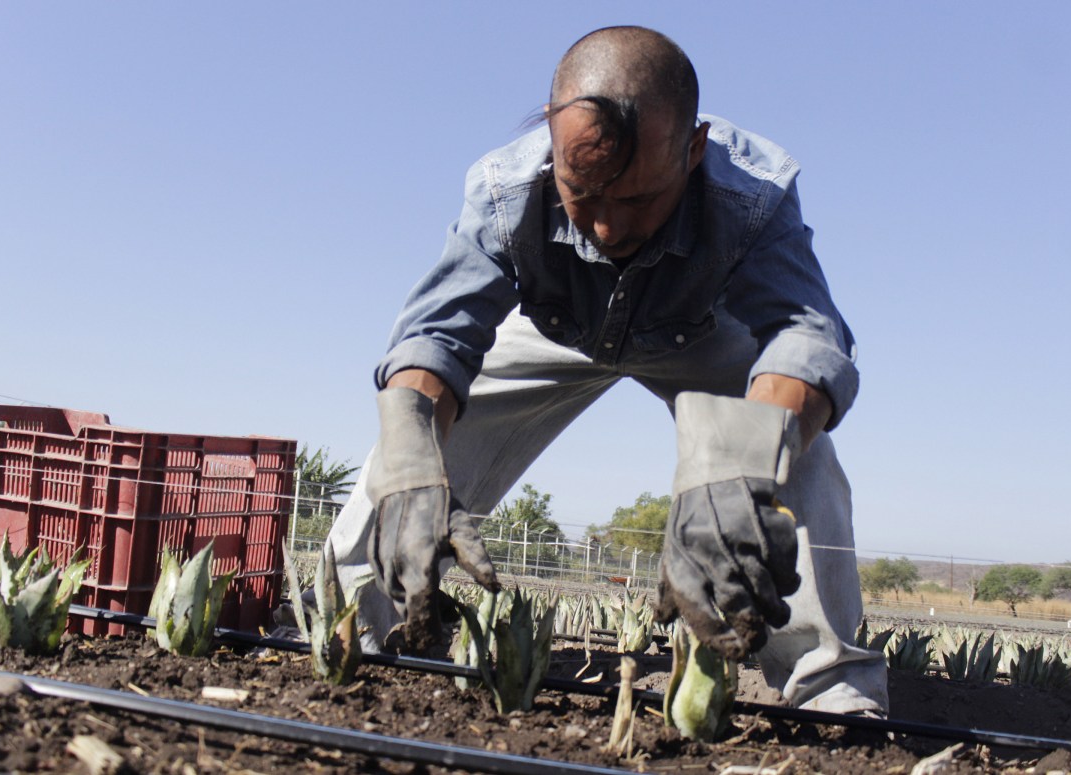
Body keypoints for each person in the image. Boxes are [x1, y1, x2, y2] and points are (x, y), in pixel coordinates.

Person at [325, 25, 888, 715]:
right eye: (582, 194)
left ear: (693, 150)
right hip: (552, 330)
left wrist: (742, 462)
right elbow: (436, 334)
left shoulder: (751, 194)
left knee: (790, 448)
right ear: (553, 140)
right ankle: (349, 638)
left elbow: (808, 335)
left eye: (638, 199)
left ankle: (831, 694)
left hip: (701, 333)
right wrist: (413, 449)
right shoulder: (508, 189)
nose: (607, 229)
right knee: (407, 455)